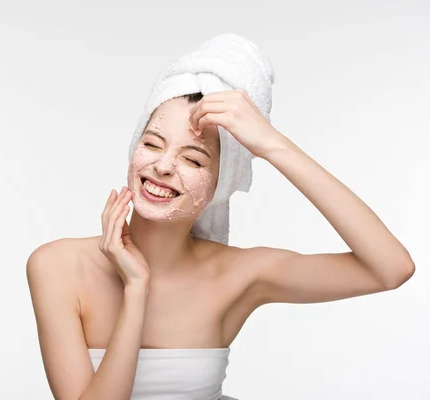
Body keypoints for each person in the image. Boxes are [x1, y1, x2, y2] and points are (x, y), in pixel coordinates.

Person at [26, 44, 415, 400]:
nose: (162, 166)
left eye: (193, 159)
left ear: (219, 184)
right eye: (152, 143)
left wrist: (272, 145)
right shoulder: (57, 265)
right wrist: (136, 290)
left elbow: (390, 269)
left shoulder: (240, 274)